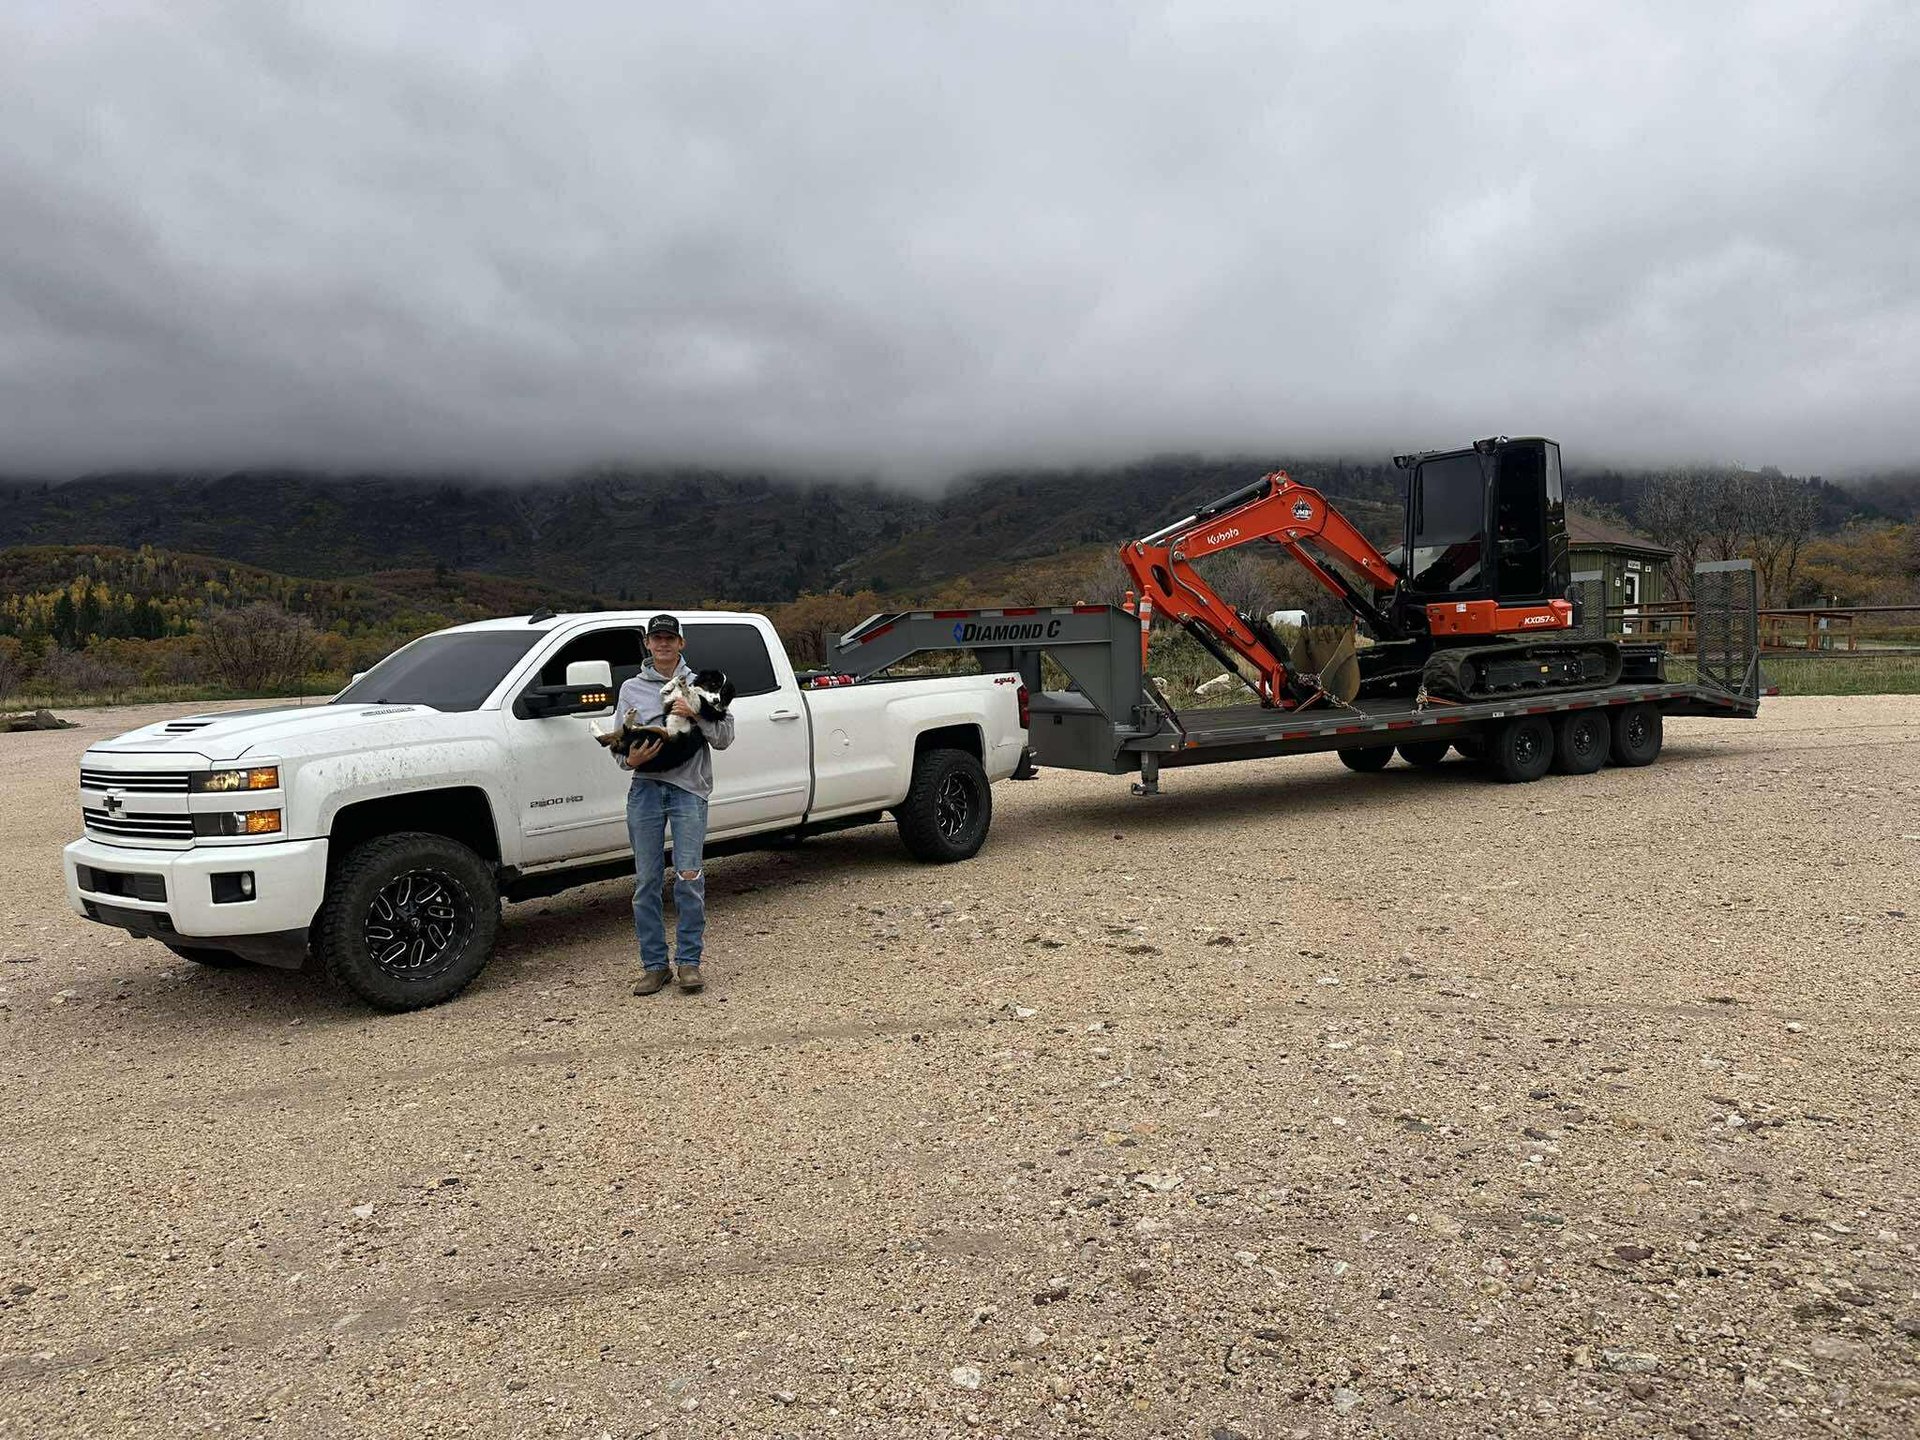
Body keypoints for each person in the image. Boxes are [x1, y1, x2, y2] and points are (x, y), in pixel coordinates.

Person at [615, 614, 735, 995]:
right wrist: (627, 762)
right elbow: (621, 740)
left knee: (688, 878)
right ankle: (654, 966)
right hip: (645, 789)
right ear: (647, 645)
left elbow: (725, 736)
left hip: (688, 790)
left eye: (670, 638)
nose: (663, 644)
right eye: (657, 638)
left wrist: (696, 712)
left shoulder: (702, 684)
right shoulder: (631, 688)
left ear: (681, 643)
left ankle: (689, 963)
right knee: (646, 882)